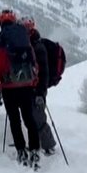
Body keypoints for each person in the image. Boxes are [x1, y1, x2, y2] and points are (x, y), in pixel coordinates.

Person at [0, 9, 42, 166]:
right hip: (26, 86)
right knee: (29, 118)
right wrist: (34, 83)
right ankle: (34, 150)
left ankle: (21, 150)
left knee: (14, 120)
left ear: (0, 23)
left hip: (8, 88)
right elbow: (34, 64)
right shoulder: (25, 40)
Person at [20, 16, 57, 155]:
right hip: (31, 88)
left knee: (39, 118)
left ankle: (49, 146)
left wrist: (41, 93)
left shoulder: (38, 46)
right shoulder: (29, 44)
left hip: (37, 90)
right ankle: (41, 144)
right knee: (32, 117)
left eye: (27, 28)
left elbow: (44, 73)